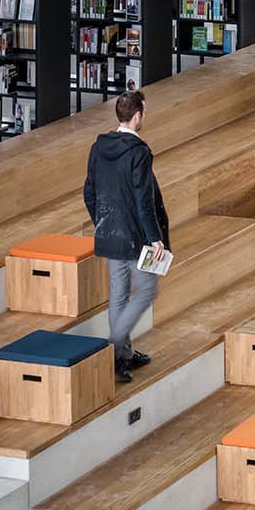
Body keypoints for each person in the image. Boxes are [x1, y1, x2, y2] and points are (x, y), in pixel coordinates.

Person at [84, 89, 170, 386]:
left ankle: (123, 356)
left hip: (109, 233)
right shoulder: (139, 152)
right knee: (147, 290)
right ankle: (115, 343)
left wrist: (102, 222)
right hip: (134, 236)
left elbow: (89, 192)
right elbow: (143, 200)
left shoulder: (98, 147)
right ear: (137, 116)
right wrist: (155, 238)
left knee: (119, 295)